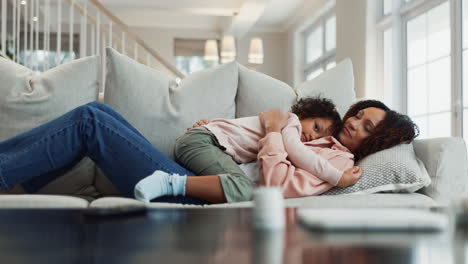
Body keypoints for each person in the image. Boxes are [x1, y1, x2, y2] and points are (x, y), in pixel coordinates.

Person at [0, 100, 418, 205]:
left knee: (92, 120)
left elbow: (272, 185)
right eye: (359, 115)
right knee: (100, 113)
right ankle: (23, 181)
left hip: (198, 196)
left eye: (367, 128)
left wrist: (274, 131)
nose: (355, 123)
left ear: (376, 143)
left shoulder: (340, 163)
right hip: (197, 174)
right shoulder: (318, 139)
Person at [134, 97, 363, 203]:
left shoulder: (285, 129)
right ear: (304, 115)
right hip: (203, 142)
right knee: (243, 187)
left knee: (237, 184)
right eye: (315, 126)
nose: (312, 136)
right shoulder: (290, 123)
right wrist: (337, 177)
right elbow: (302, 155)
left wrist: (209, 124)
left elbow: (237, 130)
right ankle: (168, 182)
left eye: (319, 136)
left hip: (205, 141)